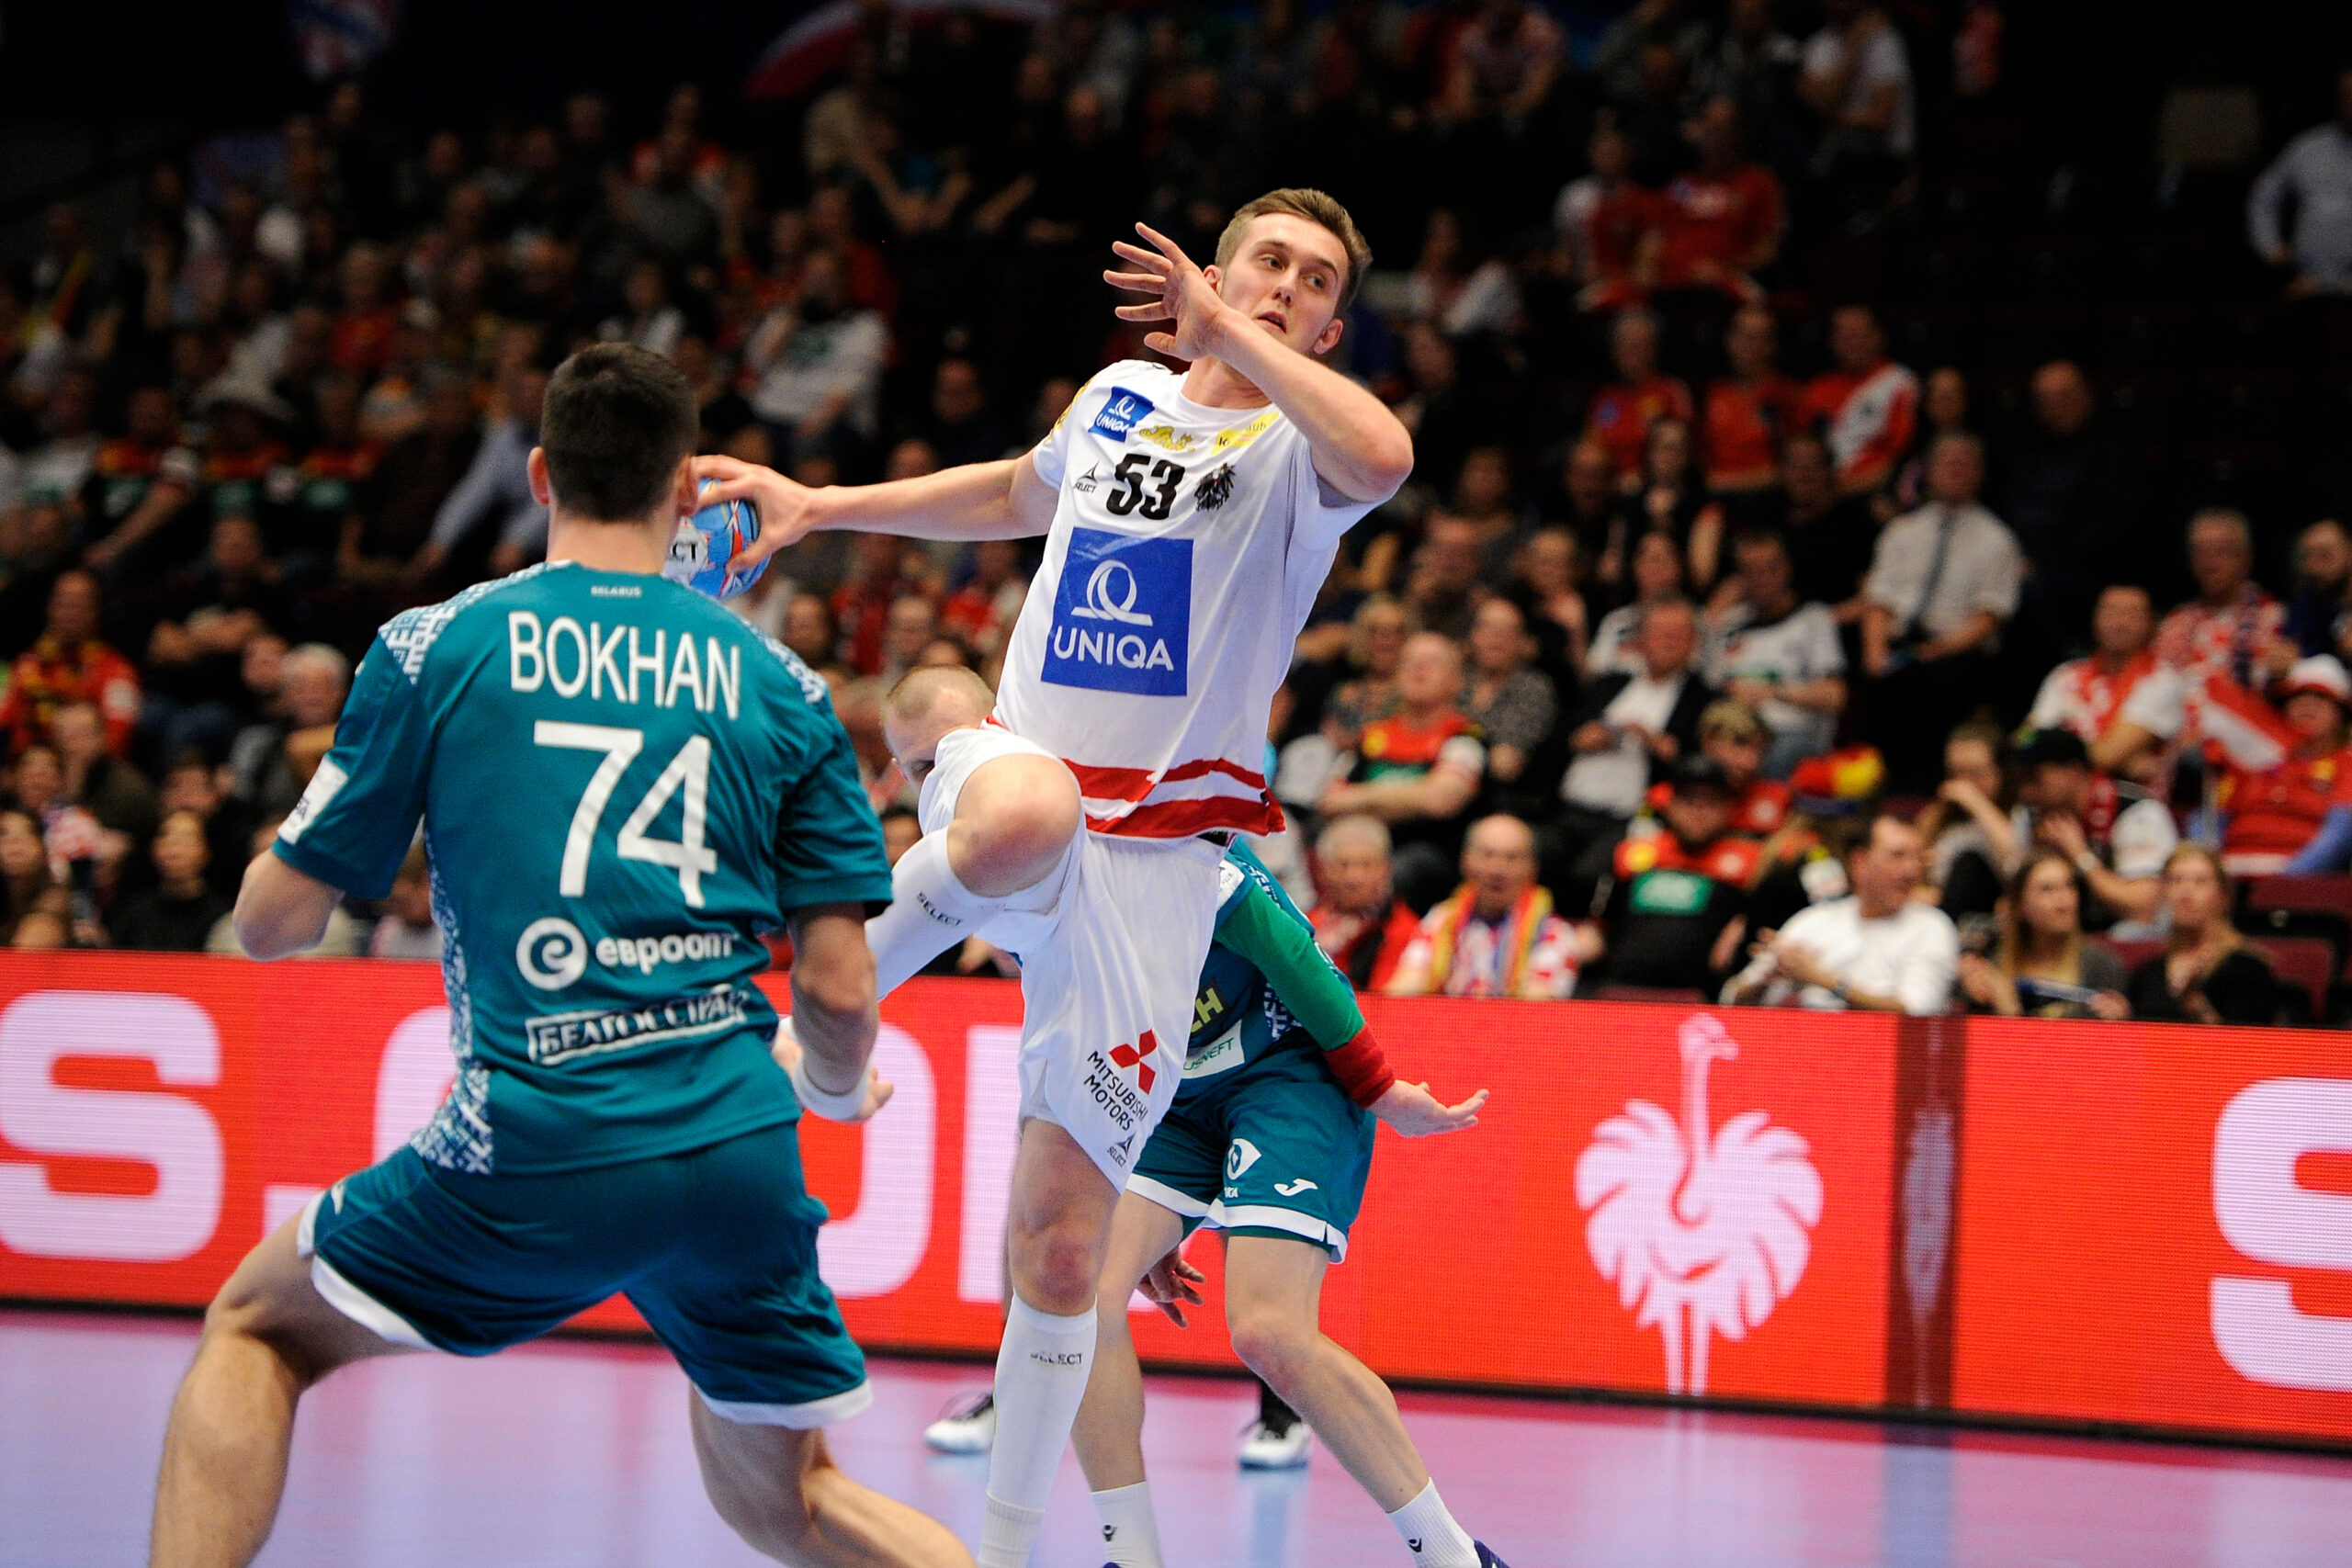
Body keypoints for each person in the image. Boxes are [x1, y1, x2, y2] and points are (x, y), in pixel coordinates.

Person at [147, 344, 968, 1568]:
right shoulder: (787, 687)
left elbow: (271, 928)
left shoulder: (439, 646)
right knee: (790, 1505)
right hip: (739, 1148)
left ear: (539, 475)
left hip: (543, 1134)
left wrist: (320, 835)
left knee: (259, 1327)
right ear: (687, 488)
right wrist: (839, 1089)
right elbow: (841, 990)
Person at [696, 190, 1412, 1568]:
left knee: (1065, 1254)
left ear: (1328, 327)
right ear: (1217, 270)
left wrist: (1234, 341)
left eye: (1315, 280)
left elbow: (1385, 452)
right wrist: (818, 505)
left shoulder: (1301, 451)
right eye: (1266, 260)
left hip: (1157, 873)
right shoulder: (1118, 397)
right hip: (1024, 781)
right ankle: (820, 1032)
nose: (1286, 284)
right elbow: (1014, 493)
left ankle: (1011, 1547)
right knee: (1029, 807)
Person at [1071, 842, 1498, 1568]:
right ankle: (1131, 1556)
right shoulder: (1035, 883)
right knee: (1080, 1294)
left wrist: (1381, 1091)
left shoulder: (1194, 850)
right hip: (1173, 1093)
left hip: (1287, 1070)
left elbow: (1303, 966)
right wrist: (1147, 1205)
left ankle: (1456, 1557)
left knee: (1268, 1329)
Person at [1858, 433, 2022, 791]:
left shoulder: (1997, 539)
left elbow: (1989, 615)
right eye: (1947, 463)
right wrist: (1874, 649)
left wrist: (1938, 650)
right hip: (1900, 640)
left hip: (1957, 650)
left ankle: (1931, 789)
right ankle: (1875, 787)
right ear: (1929, 471)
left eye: (1964, 464)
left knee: (1942, 683)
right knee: (1871, 679)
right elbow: (1878, 599)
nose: (1954, 471)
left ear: (1980, 473)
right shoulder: (1902, 530)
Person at [1317, 631, 1487, 911]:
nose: (1418, 669)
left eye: (1432, 662)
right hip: (1362, 848)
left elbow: (1440, 801)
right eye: (1409, 661)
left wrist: (1363, 798)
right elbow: (1330, 801)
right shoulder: (1373, 734)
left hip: (1429, 858)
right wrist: (1411, 798)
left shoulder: (1464, 736)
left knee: (1402, 867)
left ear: (1456, 680)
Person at [1723, 809, 1957, 1013]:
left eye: (1918, 858)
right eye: (1898, 856)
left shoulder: (1932, 926)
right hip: (1807, 1042)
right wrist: (1767, 979)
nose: (1911, 870)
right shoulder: (1815, 920)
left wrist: (1824, 980)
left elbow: (1918, 1012)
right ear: (1859, 862)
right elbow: (1731, 999)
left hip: (1880, 1048)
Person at [1593, 756, 1761, 993]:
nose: (1698, 811)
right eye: (1688, 799)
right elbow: (1600, 926)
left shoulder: (1752, 862)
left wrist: (1745, 921)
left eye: (1711, 801)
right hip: (1620, 991)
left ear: (1728, 808)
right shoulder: (1633, 853)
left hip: (1701, 996)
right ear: (1669, 805)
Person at [1385, 814, 1584, 999]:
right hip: (1442, 1024)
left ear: (1532, 868)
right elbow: (1404, 989)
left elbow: (1535, 1010)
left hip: (1509, 1025)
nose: (1497, 870)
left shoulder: (1554, 934)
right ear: (1465, 861)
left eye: (1512, 858)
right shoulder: (1441, 919)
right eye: (1487, 855)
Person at [1706, 528, 1847, 776]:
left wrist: (1774, 692)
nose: (1761, 578)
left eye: (1769, 569)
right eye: (1750, 571)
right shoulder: (1730, 624)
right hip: (1732, 732)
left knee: (1775, 756)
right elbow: (1710, 685)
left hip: (1790, 735)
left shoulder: (1813, 619)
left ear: (1786, 569)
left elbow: (1835, 697)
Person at [2010, 725, 2176, 930]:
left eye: (2034, 778)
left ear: (2073, 771)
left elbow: (2143, 908)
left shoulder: (2137, 813)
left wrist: (2080, 856)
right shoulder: (2030, 814)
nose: (2026, 792)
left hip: (2128, 937)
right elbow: (2013, 884)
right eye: (2021, 780)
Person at [2026, 583, 2188, 784]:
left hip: (2133, 799)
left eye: (2132, 614)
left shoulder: (2162, 681)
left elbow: (2107, 755)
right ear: (2094, 619)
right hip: (2060, 797)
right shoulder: (2065, 676)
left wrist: (2055, 751)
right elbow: (2027, 740)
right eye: (2110, 612)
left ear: (2150, 624)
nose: (2120, 623)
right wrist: (2126, 763)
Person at [2210, 655, 2352, 876]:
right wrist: (2211, 871)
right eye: (2297, 697)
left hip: (2299, 882)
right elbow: (2211, 821)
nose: (2307, 705)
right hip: (2229, 874)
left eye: (2321, 698)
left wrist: (2281, 883)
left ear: (2340, 713)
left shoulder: (2346, 763)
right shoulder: (2251, 760)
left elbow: (2338, 836)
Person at [1954, 850, 2129, 1021]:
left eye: (2069, 886)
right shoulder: (1994, 966)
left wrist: (2120, 1021)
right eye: (2047, 889)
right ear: (2020, 905)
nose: (2064, 899)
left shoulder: (2101, 966)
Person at [2124, 845, 2278, 1025]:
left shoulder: (2248, 969)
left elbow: (2249, 1040)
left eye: (2200, 881)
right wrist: (2121, 1019)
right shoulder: (2147, 973)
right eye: (2176, 880)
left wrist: (2196, 1006)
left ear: (2224, 896)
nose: (2185, 892)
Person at [0, 570, 141, 758]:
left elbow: (116, 742)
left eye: (78, 606)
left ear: (96, 612)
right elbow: (3, 717)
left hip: (84, 769)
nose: (70, 614)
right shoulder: (26, 663)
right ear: (50, 609)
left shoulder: (117, 672)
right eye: (62, 604)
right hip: (24, 767)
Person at [2246, 66, 2352, 296]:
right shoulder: (2308, 148)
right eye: (2346, 94)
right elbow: (2263, 197)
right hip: (2305, 286)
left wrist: (2331, 286)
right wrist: (2270, 247)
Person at [1800, 304, 1917, 498]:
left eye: (1860, 335)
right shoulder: (1816, 390)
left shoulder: (1900, 384)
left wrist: (1839, 493)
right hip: (1818, 495)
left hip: (1876, 493)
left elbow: (1900, 459)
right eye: (1844, 336)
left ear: (1879, 336)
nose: (1852, 343)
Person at [1306, 814, 1422, 989]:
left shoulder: (1403, 930)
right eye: (1343, 865)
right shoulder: (1305, 922)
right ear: (1322, 871)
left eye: (1366, 865)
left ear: (1385, 870)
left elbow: (1382, 999)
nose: (1354, 878)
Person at [1585, 308, 1693, 482]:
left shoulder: (1671, 391)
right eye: (1625, 345)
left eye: (1639, 346)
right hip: (1609, 487)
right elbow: (1591, 448)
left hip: (1657, 485)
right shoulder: (1604, 398)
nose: (1632, 354)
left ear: (1654, 349)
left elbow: (1682, 449)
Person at [107, 811, 230, 953]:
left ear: (206, 851)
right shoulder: (133, 914)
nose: (174, 849)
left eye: (186, 839)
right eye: (165, 836)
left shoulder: (223, 919)